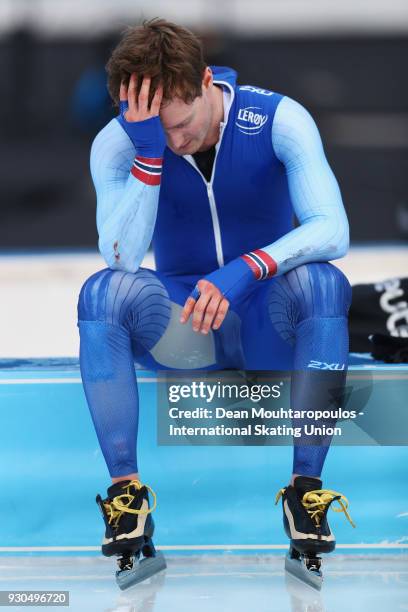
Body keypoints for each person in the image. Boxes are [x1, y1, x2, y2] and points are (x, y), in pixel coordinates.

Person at [77, 18, 355, 588]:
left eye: (180, 126)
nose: (176, 142)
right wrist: (148, 158)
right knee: (100, 294)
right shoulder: (120, 142)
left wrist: (245, 270)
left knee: (324, 283)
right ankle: (128, 502)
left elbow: (334, 230)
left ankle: (305, 494)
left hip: (265, 322)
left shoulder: (278, 118)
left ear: (205, 82)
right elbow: (121, 255)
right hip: (185, 332)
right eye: (159, 133)